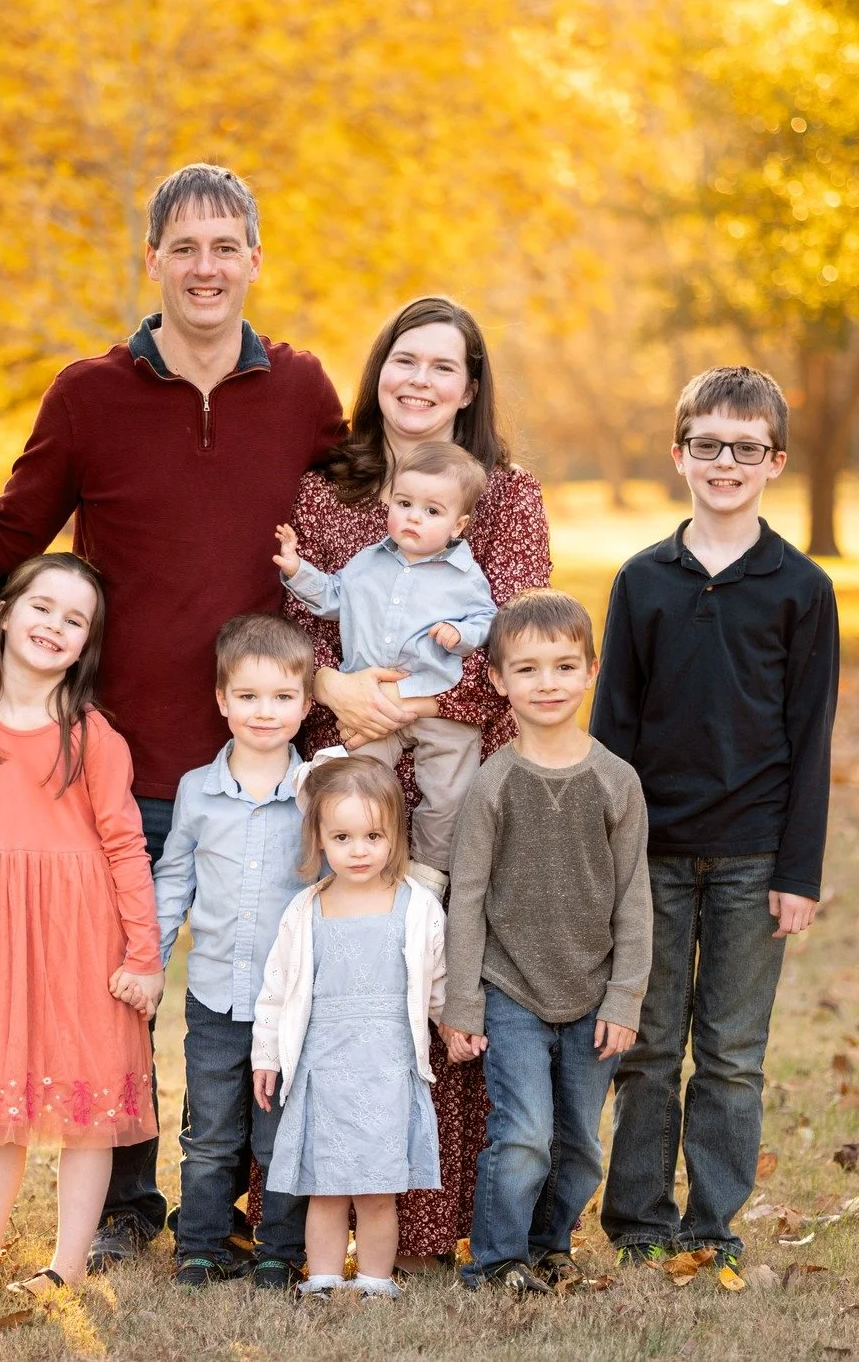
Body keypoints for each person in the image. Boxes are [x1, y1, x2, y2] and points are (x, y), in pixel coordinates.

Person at [0, 163, 346, 1268]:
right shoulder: (88, 393)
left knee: (259, 993)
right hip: (108, 761)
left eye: (225, 247)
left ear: (254, 261)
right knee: (110, 999)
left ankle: (261, 1198)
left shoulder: (305, 393)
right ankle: (124, 1207)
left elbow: (361, 530)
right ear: (152, 261)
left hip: (258, 761)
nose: (204, 267)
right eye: (184, 247)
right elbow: (11, 531)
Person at [278, 295, 548, 1266]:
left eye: (443, 366)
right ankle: (310, 1220)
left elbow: (519, 632)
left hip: (457, 765)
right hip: (344, 774)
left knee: (436, 977)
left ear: (469, 387)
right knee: (344, 989)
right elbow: (291, 621)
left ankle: (439, 1221)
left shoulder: (504, 495)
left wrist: (411, 708)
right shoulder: (325, 492)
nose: (420, 380)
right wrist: (334, 689)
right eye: (405, 359)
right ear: (377, 370)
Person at [590, 366, 840, 1286]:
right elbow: (610, 735)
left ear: (773, 461)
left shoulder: (801, 589)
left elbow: (811, 738)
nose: (724, 462)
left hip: (754, 855)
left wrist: (799, 872)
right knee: (647, 1042)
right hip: (650, 854)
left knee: (732, 1052)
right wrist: (602, 861)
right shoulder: (642, 582)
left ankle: (712, 1219)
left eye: (745, 448)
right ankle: (637, 1213)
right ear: (679, 455)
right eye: (707, 445)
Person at [0, 554, 166, 1297]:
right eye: (42, 607)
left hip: (85, 934)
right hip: (2, 929)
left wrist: (144, 953)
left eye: (74, 619)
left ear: (87, 643)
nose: (54, 626)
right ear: (4, 612)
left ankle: (66, 1263)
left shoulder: (93, 737)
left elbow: (126, 844)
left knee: (88, 1102)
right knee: (1, 1103)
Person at [439, 590, 653, 1293]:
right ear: (498, 680)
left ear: (591, 670)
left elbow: (634, 899)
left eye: (564, 667)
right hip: (511, 991)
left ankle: (549, 1243)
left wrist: (625, 996)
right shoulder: (492, 785)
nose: (548, 684)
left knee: (583, 1148)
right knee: (524, 1132)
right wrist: (462, 1005)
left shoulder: (617, 782)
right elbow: (466, 898)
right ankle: (497, 1259)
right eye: (527, 670)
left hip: (594, 994)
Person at [154, 615, 316, 1292]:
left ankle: (280, 1250)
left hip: (293, 1008)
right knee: (212, 1132)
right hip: (216, 996)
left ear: (307, 705)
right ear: (221, 699)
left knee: (281, 1136)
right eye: (247, 696)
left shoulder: (316, 794)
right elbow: (175, 880)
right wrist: (148, 960)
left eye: (282, 697)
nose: (264, 712)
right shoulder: (198, 790)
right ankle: (201, 1245)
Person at [251, 757, 447, 1301]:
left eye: (372, 835)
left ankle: (377, 1282)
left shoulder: (417, 907)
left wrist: (454, 1025)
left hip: (387, 1069)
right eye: (342, 836)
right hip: (325, 1070)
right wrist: (266, 1055)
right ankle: (322, 1279)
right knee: (327, 1189)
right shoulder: (306, 911)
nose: (358, 849)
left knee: (379, 1191)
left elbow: (438, 981)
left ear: (395, 836)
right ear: (318, 838)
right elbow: (277, 991)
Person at [272, 440, 497, 892]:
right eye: (405, 503)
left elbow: (487, 618)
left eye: (432, 511)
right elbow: (336, 597)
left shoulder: (465, 575)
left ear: (459, 525)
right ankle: (371, 867)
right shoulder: (367, 563)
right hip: (369, 703)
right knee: (360, 785)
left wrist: (463, 634)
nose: (414, 517)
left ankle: (430, 870)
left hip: (433, 695)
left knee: (451, 789)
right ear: (388, 502)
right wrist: (299, 571)